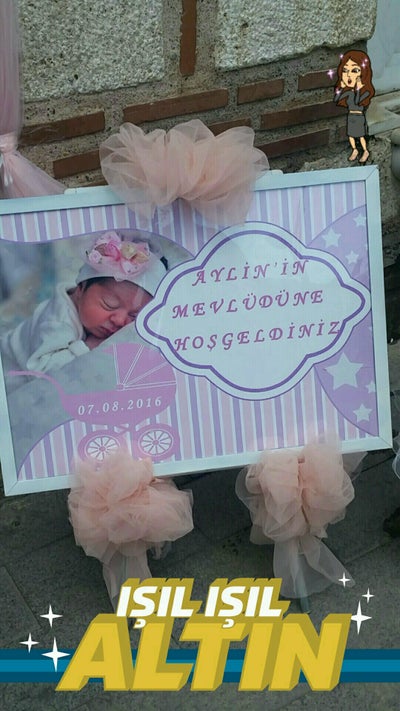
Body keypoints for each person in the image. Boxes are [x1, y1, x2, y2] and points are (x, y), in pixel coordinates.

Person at [0, 230, 167, 379]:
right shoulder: (57, 320)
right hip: (9, 375)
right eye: (109, 304)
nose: (120, 320)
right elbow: (43, 373)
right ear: (80, 289)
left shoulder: (94, 318)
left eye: (134, 316)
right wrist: (87, 347)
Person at [334, 49, 375, 164]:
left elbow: (357, 102)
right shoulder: (349, 92)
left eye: (354, 70)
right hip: (350, 116)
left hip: (359, 117)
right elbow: (336, 99)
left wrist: (358, 89)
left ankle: (365, 151)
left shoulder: (365, 92)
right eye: (345, 70)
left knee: (360, 136)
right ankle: (355, 150)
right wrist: (342, 88)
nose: (349, 75)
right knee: (351, 136)